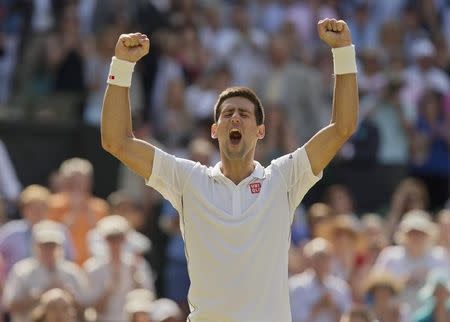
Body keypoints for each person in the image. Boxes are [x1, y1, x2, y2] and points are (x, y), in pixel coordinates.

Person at [101, 18, 358, 321]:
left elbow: (342, 127)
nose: (235, 118)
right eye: (228, 114)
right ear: (214, 130)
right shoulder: (188, 179)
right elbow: (116, 141)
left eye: (244, 114)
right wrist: (121, 66)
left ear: (260, 131)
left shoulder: (284, 177)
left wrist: (343, 52)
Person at [2, 220, 87, 322]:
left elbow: (86, 309)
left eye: (52, 246)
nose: (48, 250)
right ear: (35, 246)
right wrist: (41, 295)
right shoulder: (22, 271)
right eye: (44, 246)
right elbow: (10, 306)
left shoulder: (72, 272)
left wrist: (67, 296)